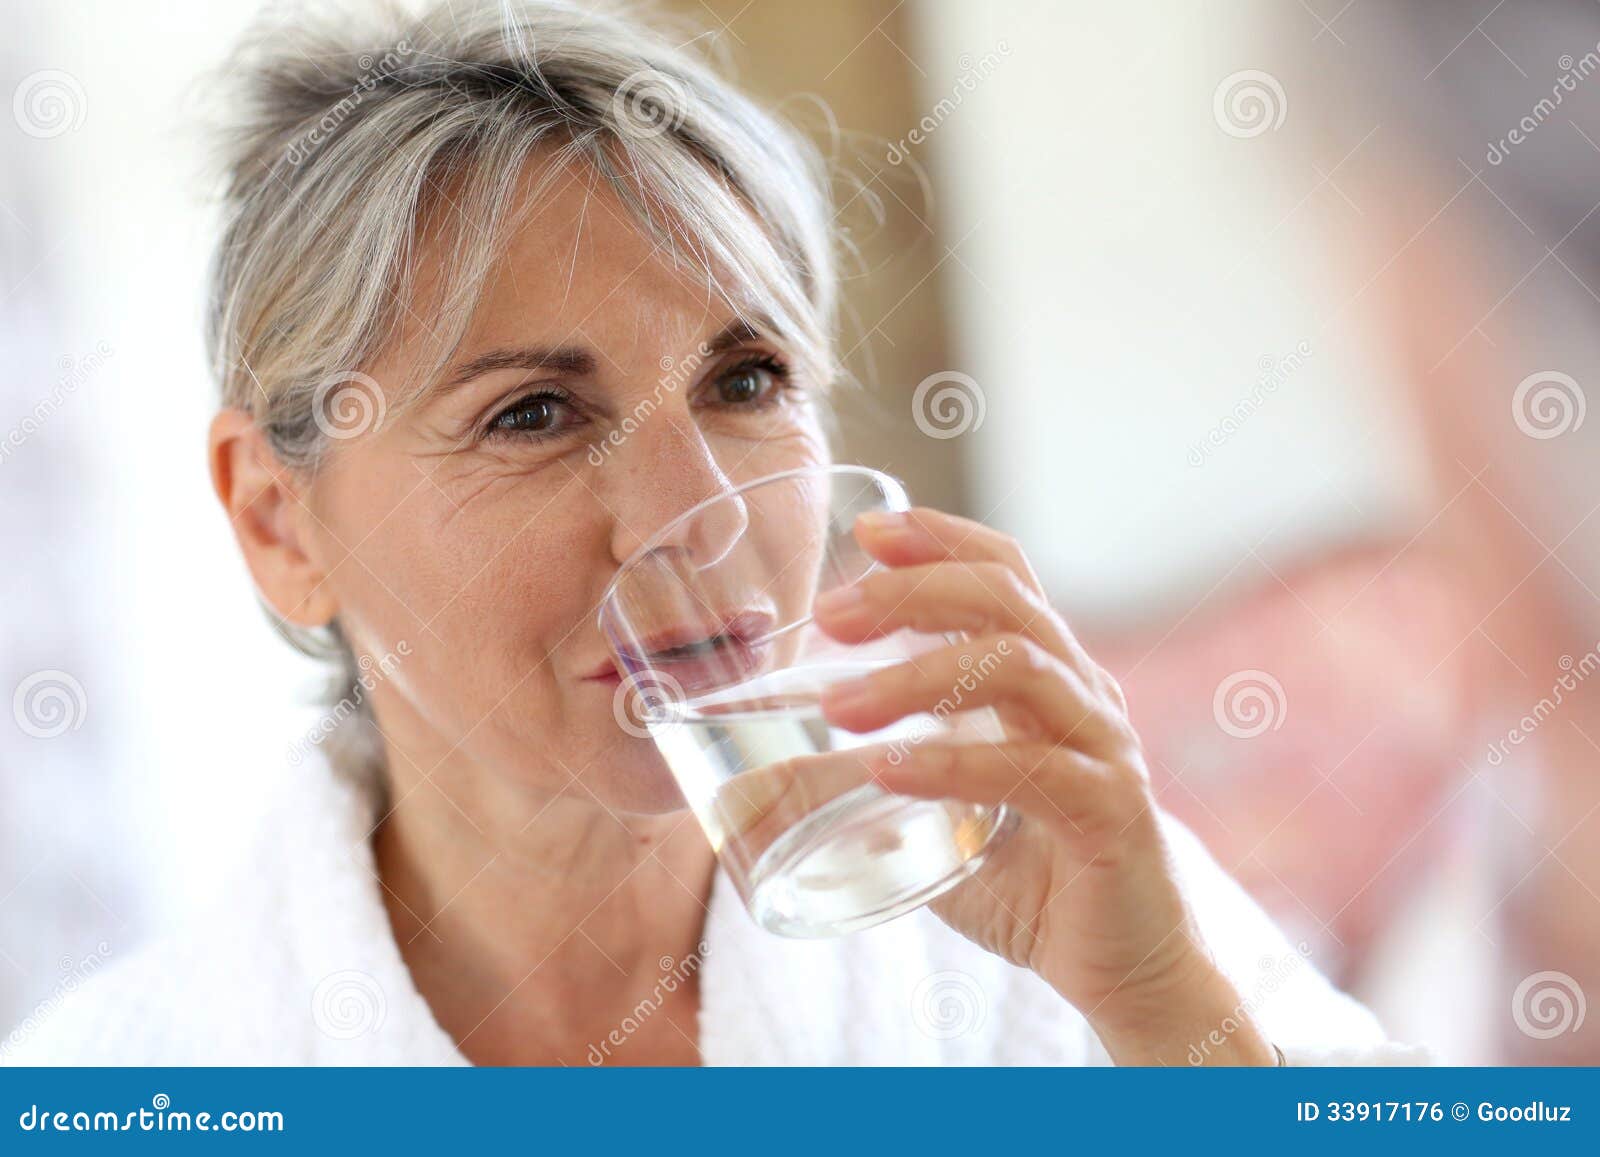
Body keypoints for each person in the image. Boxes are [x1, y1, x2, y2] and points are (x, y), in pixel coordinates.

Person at [7, 0, 1421, 1066]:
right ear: (277, 517)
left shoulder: (1065, 922)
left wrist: (1171, 1012)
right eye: (534, 415)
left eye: (746, 382)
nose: (695, 516)